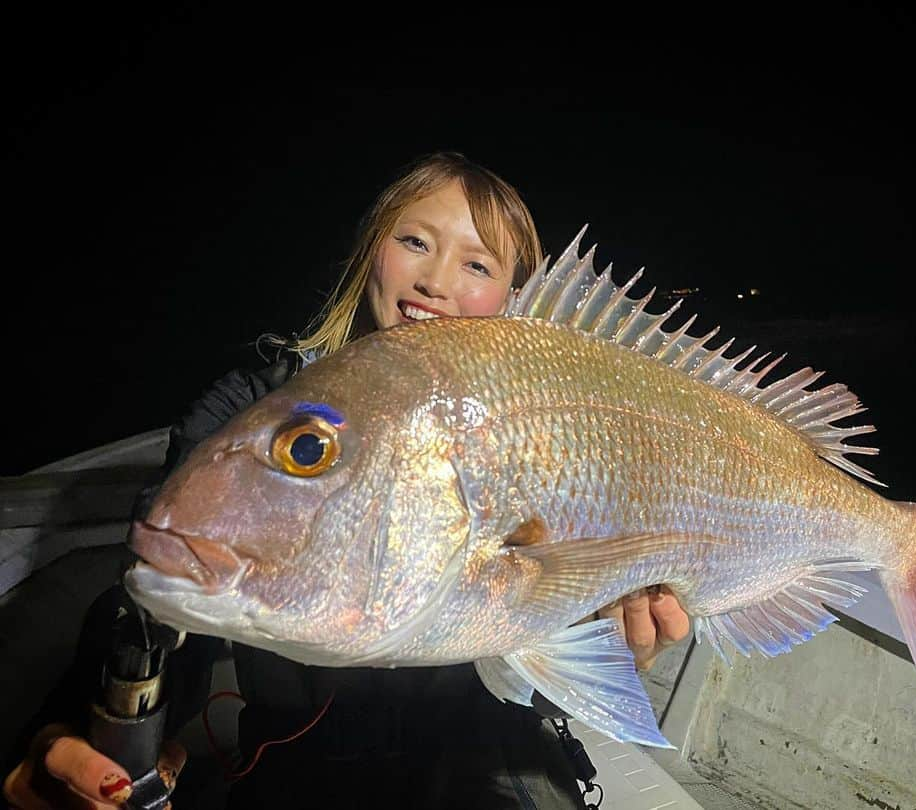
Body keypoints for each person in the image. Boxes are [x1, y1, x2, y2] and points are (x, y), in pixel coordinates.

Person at [3, 152, 692, 809]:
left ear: (512, 299)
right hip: (299, 763)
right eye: (416, 241)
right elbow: (161, 603)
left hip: (485, 754)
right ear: (373, 249)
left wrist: (619, 649)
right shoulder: (251, 409)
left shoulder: (547, 419)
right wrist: (80, 725)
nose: (436, 281)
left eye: (476, 263)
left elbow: (539, 658)